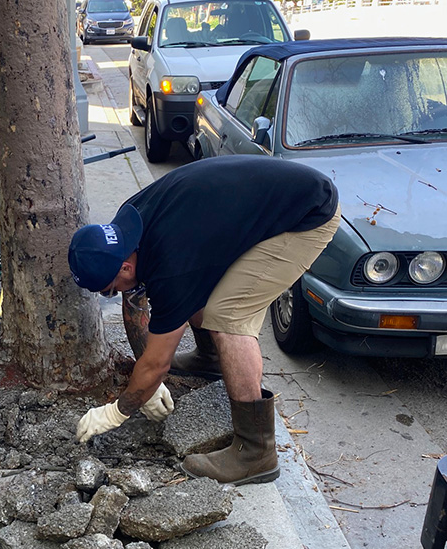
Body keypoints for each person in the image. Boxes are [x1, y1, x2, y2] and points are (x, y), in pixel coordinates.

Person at [68, 156, 341, 486]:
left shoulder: (172, 265)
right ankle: (211, 358)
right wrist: (147, 377)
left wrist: (118, 410)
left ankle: (256, 453)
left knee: (228, 317)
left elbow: (157, 362)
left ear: (125, 268)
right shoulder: (128, 228)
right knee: (205, 299)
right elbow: (141, 302)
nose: (115, 295)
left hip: (306, 216)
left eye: (110, 290)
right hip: (271, 200)